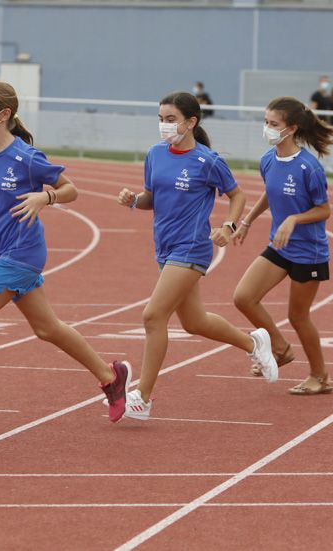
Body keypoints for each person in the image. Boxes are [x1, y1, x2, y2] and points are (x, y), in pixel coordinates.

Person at [0, 79, 131, 450]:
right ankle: (109, 375)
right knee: (47, 328)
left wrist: (45, 197)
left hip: (23, 253)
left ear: (4, 114)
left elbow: (71, 189)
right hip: (1, 251)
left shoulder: (25, 157)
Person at [115, 91, 277, 420]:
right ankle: (254, 344)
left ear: (191, 122)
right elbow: (152, 198)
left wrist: (229, 226)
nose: (164, 125)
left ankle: (143, 396)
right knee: (194, 322)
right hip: (164, 245)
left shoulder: (208, 161)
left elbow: (237, 195)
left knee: (153, 316)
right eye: (161, 119)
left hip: (192, 247)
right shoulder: (155, 154)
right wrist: (134, 200)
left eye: (171, 119)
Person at [233, 97, 333, 395]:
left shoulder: (309, 168)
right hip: (279, 248)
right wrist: (247, 220)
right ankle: (280, 347)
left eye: (273, 124)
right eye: (266, 122)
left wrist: (293, 219)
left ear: (291, 129)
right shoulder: (268, 160)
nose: (267, 128)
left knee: (298, 316)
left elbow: (324, 210)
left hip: (309, 252)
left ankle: (320, 376)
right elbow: (270, 193)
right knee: (244, 297)